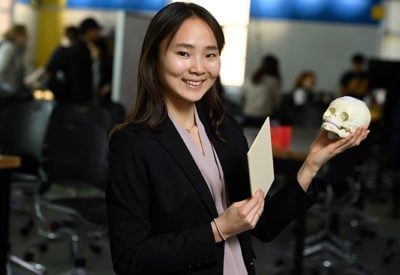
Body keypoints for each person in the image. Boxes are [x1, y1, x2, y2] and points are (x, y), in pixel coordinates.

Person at [106, 2, 369, 275]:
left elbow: (262, 224)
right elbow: (130, 260)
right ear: (154, 57)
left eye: (210, 55)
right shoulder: (132, 144)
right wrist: (218, 230)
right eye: (183, 53)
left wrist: (311, 165)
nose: (198, 68)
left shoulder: (225, 130)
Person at [240, 54, 282, 127]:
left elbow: (242, 95)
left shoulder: (251, 78)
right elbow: (277, 102)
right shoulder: (274, 81)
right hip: (264, 118)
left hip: (248, 115)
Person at [0, 24, 30, 99]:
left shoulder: (18, 49)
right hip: (6, 91)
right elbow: (1, 69)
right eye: (24, 36)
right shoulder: (9, 48)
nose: (27, 38)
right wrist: (6, 86)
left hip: (12, 90)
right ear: (16, 36)